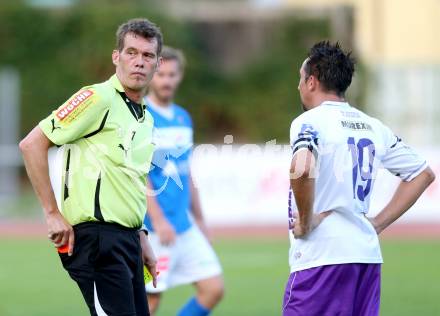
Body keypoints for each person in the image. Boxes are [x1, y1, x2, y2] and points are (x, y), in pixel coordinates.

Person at [19, 18, 163, 316]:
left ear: (157, 63)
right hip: (97, 240)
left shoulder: (145, 117)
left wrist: (141, 235)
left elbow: (128, 181)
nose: (139, 62)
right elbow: (32, 144)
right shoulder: (97, 97)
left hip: (127, 240)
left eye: (147, 55)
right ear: (116, 57)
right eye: (131, 52)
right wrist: (52, 213)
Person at [283, 41, 435, 316]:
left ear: (312, 81)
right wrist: (376, 223)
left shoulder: (310, 121)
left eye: (300, 79)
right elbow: (422, 174)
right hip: (365, 258)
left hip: (321, 259)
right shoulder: (373, 126)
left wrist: (305, 222)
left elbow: (303, 167)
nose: (298, 86)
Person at [143, 46, 224, 316]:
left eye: (172, 74)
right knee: (150, 301)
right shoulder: (141, 116)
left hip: (184, 224)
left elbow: (186, 171)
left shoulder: (183, 117)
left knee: (213, 288)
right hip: (154, 230)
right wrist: (158, 220)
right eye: (161, 74)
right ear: (152, 75)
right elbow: (138, 175)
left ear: (180, 76)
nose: (166, 80)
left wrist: (200, 219)